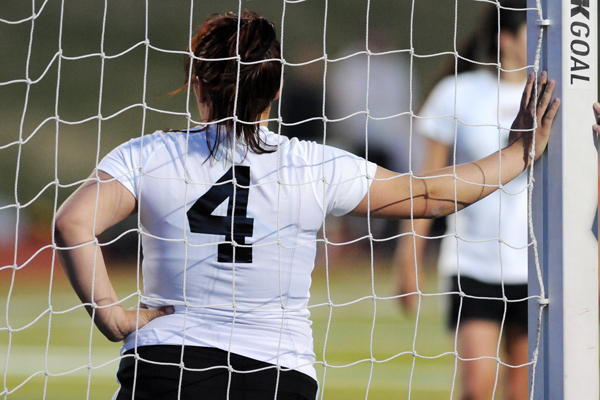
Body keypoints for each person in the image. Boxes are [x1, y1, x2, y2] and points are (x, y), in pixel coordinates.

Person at [53, 10, 559, 400]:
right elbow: (428, 196)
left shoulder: (150, 154)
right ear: (276, 89)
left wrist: (112, 317)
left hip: (166, 370)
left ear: (198, 85)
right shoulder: (311, 165)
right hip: (275, 376)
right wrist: (518, 152)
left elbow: (72, 223)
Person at [394, 1, 533, 399]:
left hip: (535, 266)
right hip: (472, 263)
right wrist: (410, 258)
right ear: (506, 39)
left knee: (523, 391)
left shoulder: (552, 95)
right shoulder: (458, 93)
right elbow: (425, 186)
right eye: (531, 32)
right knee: (476, 387)